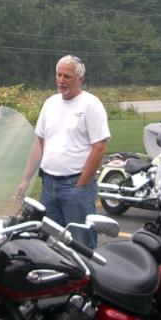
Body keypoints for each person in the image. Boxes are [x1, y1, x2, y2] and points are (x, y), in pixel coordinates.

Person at [17, 55, 110, 249]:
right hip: (48, 185)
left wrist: (81, 185)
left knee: (81, 245)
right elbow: (39, 143)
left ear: (80, 79)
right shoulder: (50, 103)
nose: (61, 80)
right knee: (50, 243)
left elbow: (99, 147)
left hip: (75, 186)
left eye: (67, 76)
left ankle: (86, 270)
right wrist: (25, 179)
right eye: (59, 75)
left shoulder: (91, 105)